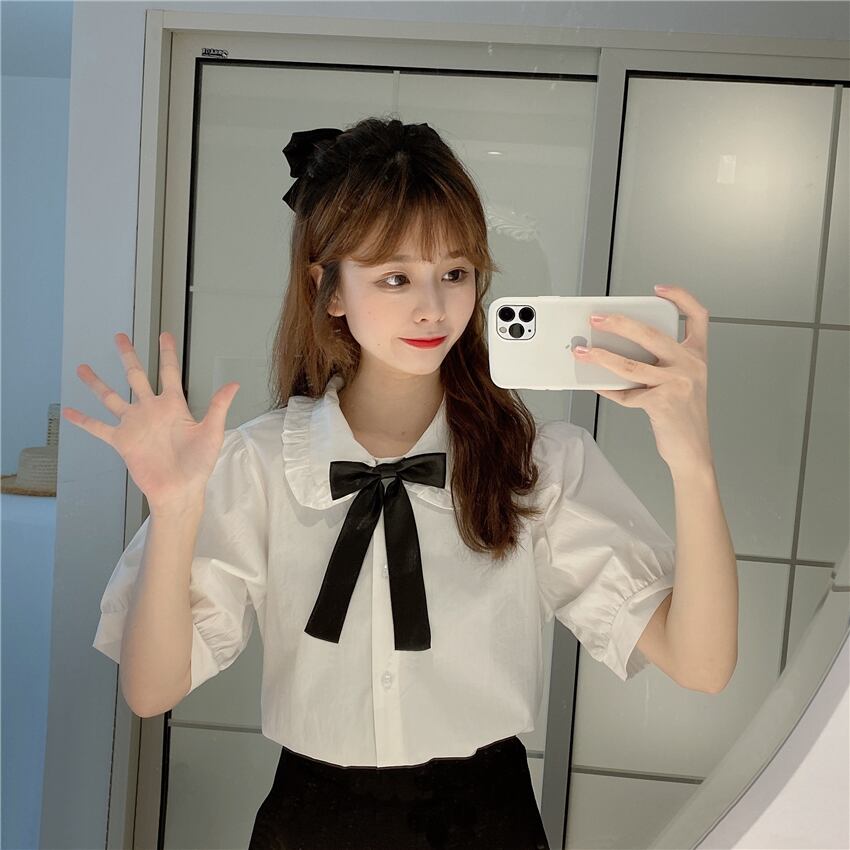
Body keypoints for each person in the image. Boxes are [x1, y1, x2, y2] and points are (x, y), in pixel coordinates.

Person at [69, 117, 679, 850]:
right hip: (311, 824)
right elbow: (150, 691)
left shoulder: (539, 464)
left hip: (488, 824)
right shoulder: (256, 463)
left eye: (455, 273)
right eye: (395, 277)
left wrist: (691, 453)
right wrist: (173, 510)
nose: (433, 307)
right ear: (327, 289)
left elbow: (699, 663)